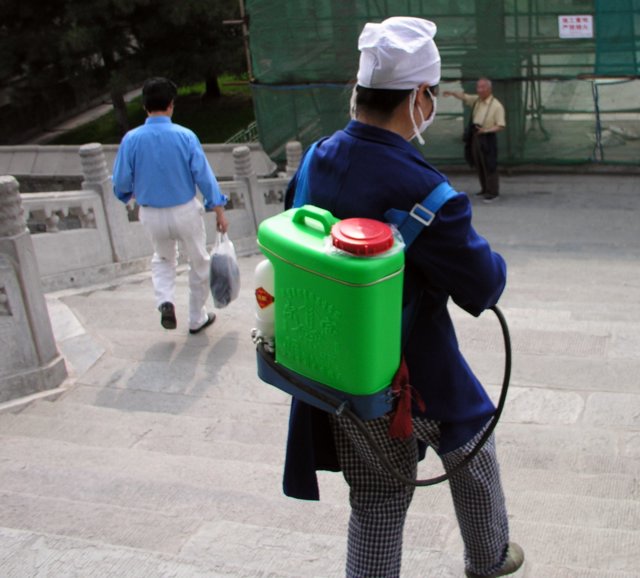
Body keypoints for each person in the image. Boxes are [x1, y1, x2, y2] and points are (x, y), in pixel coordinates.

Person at [281, 17, 524, 578]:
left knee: (378, 496)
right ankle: (489, 558)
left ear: (359, 91)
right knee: (473, 440)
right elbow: (484, 285)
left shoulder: (317, 157)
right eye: (431, 95)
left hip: (331, 363)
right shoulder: (427, 191)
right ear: (418, 97)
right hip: (411, 367)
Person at [112, 77, 229, 334]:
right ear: (171, 105)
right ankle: (196, 317)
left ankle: (165, 300)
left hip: (151, 213)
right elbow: (204, 176)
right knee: (198, 261)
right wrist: (218, 209)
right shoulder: (185, 136)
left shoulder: (131, 140)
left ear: (145, 106)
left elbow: (121, 181)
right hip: (185, 211)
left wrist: (129, 194)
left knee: (163, 258)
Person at [443, 78, 506, 202]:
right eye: (478, 88)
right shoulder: (477, 100)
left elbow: (501, 125)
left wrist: (486, 131)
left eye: (482, 88)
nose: (480, 90)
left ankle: (493, 192)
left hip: (487, 137)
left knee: (489, 164)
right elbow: (465, 97)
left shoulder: (496, 105)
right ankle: (484, 189)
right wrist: (452, 93)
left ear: (489, 89)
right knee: (479, 163)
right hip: (476, 135)